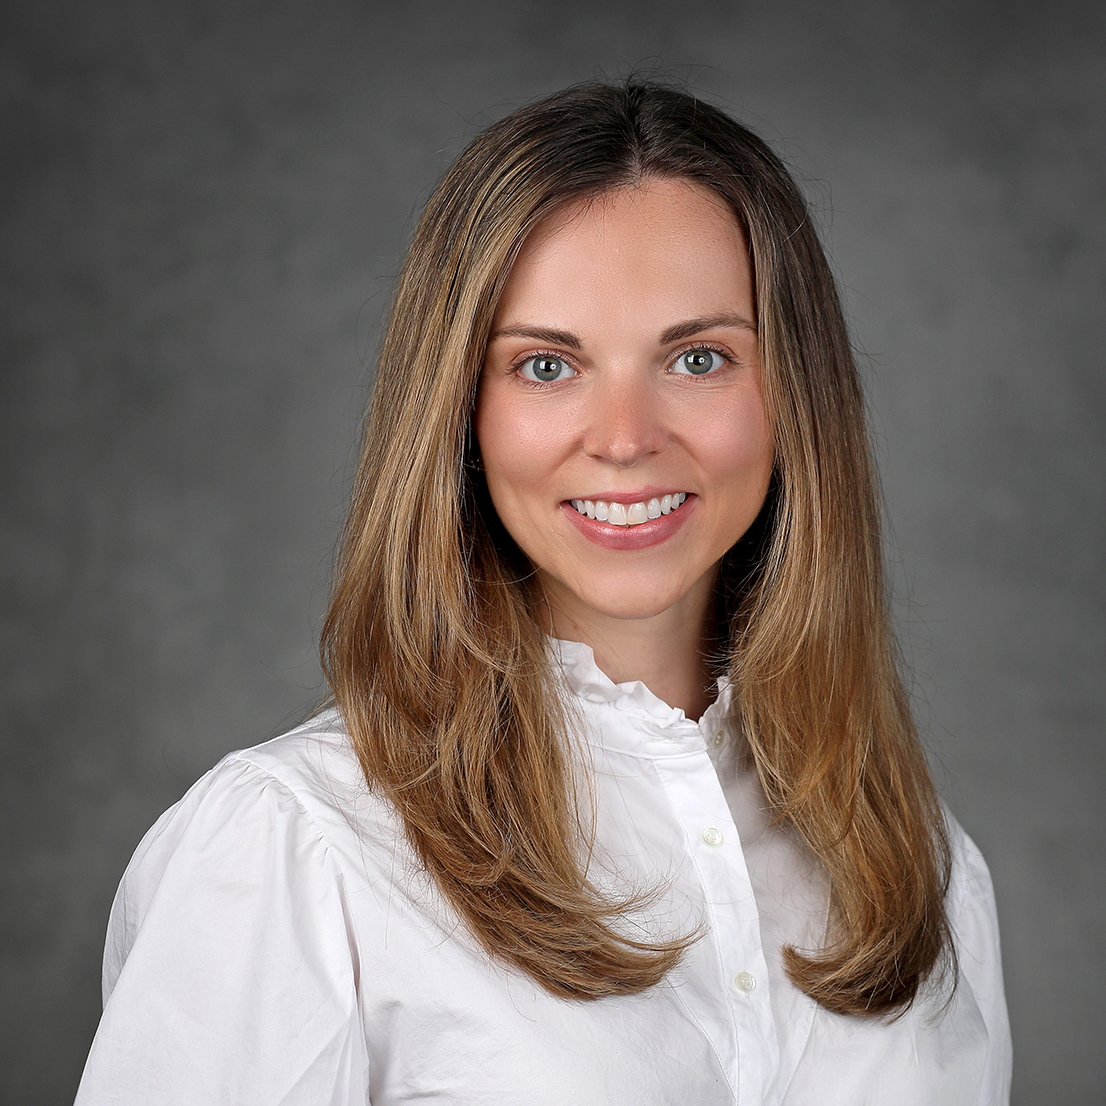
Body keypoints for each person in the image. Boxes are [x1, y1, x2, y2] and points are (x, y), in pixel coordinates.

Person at [75, 81, 1012, 1105]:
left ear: (795, 394)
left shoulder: (918, 867)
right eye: (546, 366)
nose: (624, 437)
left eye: (698, 358)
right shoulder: (291, 849)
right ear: (460, 412)